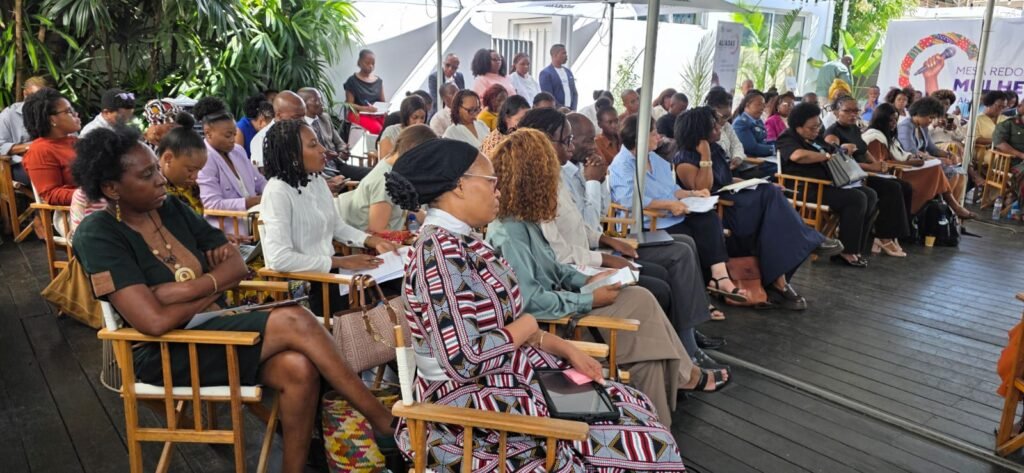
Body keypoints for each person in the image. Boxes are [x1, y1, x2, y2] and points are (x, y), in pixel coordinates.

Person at [70, 125, 397, 473]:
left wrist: (184, 290)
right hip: (162, 353)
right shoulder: (97, 234)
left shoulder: (171, 208)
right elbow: (153, 321)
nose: (161, 180)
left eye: (156, 170)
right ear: (112, 188)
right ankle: (382, 421)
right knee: (295, 318)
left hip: (215, 329)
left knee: (298, 369)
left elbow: (237, 265)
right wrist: (216, 284)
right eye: (147, 174)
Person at [383, 138, 689, 471]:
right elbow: (464, 359)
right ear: (459, 186)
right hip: (469, 409)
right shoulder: (439, 255)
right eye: (491, 182)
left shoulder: (460, 241)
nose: (498, 191)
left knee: (634, 405)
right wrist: (527, 324)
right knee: (647, 442)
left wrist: (564, 348)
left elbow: (498, 328)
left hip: (506, 379)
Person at [487, 129, 730, 426]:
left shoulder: (523, 222)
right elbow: (532, 302)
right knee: (642, 300)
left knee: (649, 355)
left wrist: (589, 280)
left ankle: (658, 431)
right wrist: (588, 298)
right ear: (534, 178)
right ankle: (684, 378)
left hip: (565, 304)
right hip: (556, 325)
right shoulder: (509, 233)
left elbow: (555, 269)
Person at [527, 109, 728, 367]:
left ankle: (685, 338)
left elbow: (592, 221)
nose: (589, 146)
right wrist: (593, 184)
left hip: (598, 247)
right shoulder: (549, 183)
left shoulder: (566, 174)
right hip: (587, 261)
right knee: (669, 268)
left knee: (683, 248)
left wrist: (606, 228)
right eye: (574, 140)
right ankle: (680, 351)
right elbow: (570, 244)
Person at [674, 107, 839, 309]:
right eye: (714, 127)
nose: (719, 129)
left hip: (735, 201)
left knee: (769, 191)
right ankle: (804, 247)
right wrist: (705, 155)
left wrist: (756, 182)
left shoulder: (716, 149)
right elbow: (703, 189)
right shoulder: (685, 158)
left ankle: (780, 282)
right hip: (720, 210)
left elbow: (726, 179)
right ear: (700, 131)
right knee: (770, 200)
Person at [260, 119, 398, 316]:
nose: (323, 149)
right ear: (293, 155)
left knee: (397, 283)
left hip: (332, 272)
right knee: (386, 296)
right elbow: (279, 259)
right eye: (313, 145)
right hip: (309, 285)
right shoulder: (277, 191)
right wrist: (340, 262)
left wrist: (371, 240)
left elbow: (336, 226)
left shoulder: (316, 180)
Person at [609, 115, 750, 302]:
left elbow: (672, 190)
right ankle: (699, 296)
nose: (659, 136)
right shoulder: (622, 165)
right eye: (653, 133)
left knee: (709, 219)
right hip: (648, 223)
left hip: (673, 214)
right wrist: (668, 204)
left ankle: (720, 277)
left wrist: (693, 194)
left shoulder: (654, 159)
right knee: (689, 237)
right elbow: (628, 200)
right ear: (639, 139)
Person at [778, 102, 876, 267]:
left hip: (827, 185)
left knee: (870, 194)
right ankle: (846, 251)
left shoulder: (815, 138)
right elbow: (797, 156)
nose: (817, 130)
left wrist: (841, 149)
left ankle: (856, 246)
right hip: (805, 188)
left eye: (818, 126)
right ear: (798, 127)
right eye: (812, 127)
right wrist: (826, 156)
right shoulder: (788, 138)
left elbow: (831, 149)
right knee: (856, 199)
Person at [825, 96, 913, 257]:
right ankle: (883, 236)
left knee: (904, 186)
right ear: (836, 112)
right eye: (847, 111)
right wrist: (871, 167)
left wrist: (878, 164)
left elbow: (864, 151)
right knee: (891, 188)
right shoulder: (832, 133)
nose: (853, 114)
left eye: (855, 111)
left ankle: (895, 234)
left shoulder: (854, 128)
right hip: (850, 177)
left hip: (864, 172)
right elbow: (838, 161)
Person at [864, 103, 975, 220]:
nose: (894, 123)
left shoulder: (899, 132)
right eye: (890, 120)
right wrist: (912, 162)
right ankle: (950, 208)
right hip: (894, 173)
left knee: (957, 174)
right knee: (935, 171)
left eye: (895, 120)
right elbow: (880, 165)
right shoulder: (875, 137)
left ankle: (949, 210)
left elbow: (926, 149)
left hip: (903, 167)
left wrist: (945, 155)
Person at [337, 125, 436, 234]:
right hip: (364, 238)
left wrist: (431, 221)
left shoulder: (392, 164)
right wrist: (409, 236)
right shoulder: (385, 181)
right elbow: (377, 231)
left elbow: (407, 208)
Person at [194, 98, 266, 237]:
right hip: (228, 232)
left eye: (234, 134)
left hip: (254, 225)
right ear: (208, 133)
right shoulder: (204, 159)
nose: (233, 139)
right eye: (228, 135)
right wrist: (251, 202)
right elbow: (212, 204)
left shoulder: (238, 150)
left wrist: (272, 192)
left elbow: (260, 181)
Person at [897, 97, 967, 202]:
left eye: (933, 118)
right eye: (930, 117)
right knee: (953, 173)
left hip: (923, 162)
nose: (931, 121)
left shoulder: (922, 127)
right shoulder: (905, 126)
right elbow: (911, 151)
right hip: (911, 164)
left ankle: (950, 207)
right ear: (920, 113)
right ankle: (943, 204)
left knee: (962, 174)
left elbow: (932, 148)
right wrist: (938, 160)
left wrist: (949, 155)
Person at [22, 87, 82, 206]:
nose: (76, 114)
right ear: (52, 119)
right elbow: (51, 194)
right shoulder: (39, 150)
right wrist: (92, 194)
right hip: (77, 210)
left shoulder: (74, 141)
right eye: (69, 111)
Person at [0, 76, 50, 186]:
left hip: (51, 160)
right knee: (45, 175)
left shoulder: (53, 111)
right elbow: (0, 145)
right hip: (19, 164)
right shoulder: (9, 114)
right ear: (25, 94)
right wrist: (31, 147)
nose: (38, 101)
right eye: (34, 97)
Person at [250, 91, 306, 168]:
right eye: (296, 117)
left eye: (303, 116)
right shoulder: (261, 140)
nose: (302, 121)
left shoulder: (304, 130)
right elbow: (263, 171)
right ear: (279, 115)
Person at [732, 90, 777, 179]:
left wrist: (779, 144)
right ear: (747, 105)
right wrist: (773, 149)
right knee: (781, 169)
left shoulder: (758, 120)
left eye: (763, 105)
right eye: (759, 104)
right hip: (750, 163)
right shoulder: (741, 123)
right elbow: (752, 148)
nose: (762, 108)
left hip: (763, 159)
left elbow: (764, 141)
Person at [343, 49, 387, 135]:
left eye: (373, 64)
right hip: (357, 113)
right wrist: (366, 109)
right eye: (367, 63)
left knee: (389, 126)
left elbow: (383, 102)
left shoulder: (379, 81)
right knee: (377, 129)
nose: (370, 66)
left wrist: (384, 110)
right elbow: (349, 105)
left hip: (375, 113)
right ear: (359, 62)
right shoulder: (352, 81)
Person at [706, 89, 747, 172]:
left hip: (730, 167)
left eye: (728, 117)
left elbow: (736, 144)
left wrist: (737, 157)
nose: (726, 120)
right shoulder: (703, 129)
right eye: (724, 117)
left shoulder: (727, 126)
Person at [992, 98, 1024, 205]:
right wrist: (1020, 154)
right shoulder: (1009, 124)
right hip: (1012, 162)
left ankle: (1013, 197)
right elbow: (999, 143)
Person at [538, 44, 578, 110]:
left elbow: (574, 93)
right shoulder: (546, 73)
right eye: (563, 53)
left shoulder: (568, 72)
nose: (566, 56)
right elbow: (548, 96)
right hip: (556, 111)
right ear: (555, 55)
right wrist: (560, 109)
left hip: (570, 111)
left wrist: (573, 109)